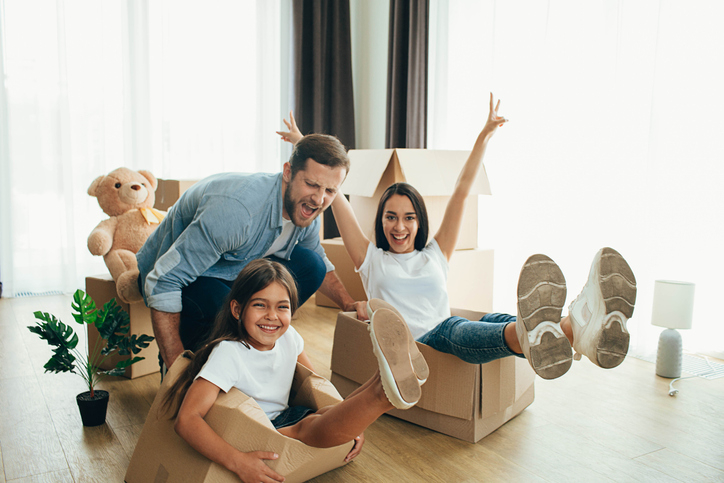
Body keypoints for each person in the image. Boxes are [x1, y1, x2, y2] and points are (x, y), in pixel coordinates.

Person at [279, 94, 637, 380]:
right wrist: (302, 142)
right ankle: (580, 323)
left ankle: (579, 327)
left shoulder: (436, 253)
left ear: (420, 223)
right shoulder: (371, 260)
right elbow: (336, 195)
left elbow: (461, 190)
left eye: (408, 218)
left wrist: (483, 137)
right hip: (426, 341)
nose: (399, 227)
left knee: (499, 320)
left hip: (452, 326)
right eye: (390, 217)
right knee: (461, 330)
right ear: (380, 221)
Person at [163, 258, 424, 483]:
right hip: (256, 430)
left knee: (326, 412)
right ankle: (382, 395)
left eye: (282, 307)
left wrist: (352, 419)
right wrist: (238, 462)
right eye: (260, 305)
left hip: (285, 415)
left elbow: (315, 384)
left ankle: (383, 378)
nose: (272, 316)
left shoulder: (289, 337)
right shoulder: (230, 353)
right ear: (237, 309)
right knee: (309, 428)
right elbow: (187, 420)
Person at [136, 133, 366, 370]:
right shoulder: (238, 212)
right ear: (288, 172)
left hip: (233, 270)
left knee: (312, 265)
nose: (319, 199)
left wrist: (348, 303)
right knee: (223, 305)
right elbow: (163, 280)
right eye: (312, 184)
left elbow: (320, 264)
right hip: (182, 274)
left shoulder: (308, 209)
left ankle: (252, 346)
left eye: (330, 190)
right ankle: (195, 358)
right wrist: (174, 366)